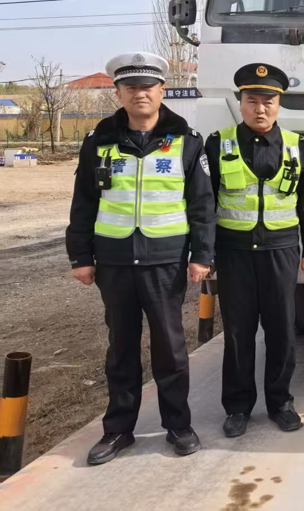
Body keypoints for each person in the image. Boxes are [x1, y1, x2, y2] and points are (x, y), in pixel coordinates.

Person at [66, 52, 215, 464]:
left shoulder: (187, 142)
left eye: (148, 87)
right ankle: (118, 430)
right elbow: (83, 203)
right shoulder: (98, 142)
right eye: (130, 87)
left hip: (165, 262)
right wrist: (80, 256)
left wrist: (202, 255)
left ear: (162, 91)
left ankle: (178, 425)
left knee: (170, 347)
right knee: (121, 348)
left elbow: (202, 206)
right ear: (118, 93)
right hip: (113, 262)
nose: (140, 94)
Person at [205, 63, 304, 438]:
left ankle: (280, 403)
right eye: (252, 100)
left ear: (278, 105)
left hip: (281, 249)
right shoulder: (218, 143)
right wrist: (204, 252)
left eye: (268, 102)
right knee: (238, 333)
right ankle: (237, 408)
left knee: (281, 332)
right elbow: (204, 203)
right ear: (240, 102)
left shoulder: (297, 146)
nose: (260, 109)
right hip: (234, 252)